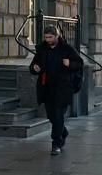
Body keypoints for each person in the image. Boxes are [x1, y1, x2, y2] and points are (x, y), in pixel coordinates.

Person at [30, 26, 82, 155]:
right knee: (51, 116)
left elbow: (79, 63)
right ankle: (63, 132)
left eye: (50, 37)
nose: (48, 40)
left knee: (58, 116)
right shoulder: (42, 49)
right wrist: (34, 68)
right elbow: (33, 65)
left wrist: (70, 63)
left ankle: (56, 144)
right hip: (47, 88)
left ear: (56, 36)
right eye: (46, 37)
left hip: (63, 88)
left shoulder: (67, 49)